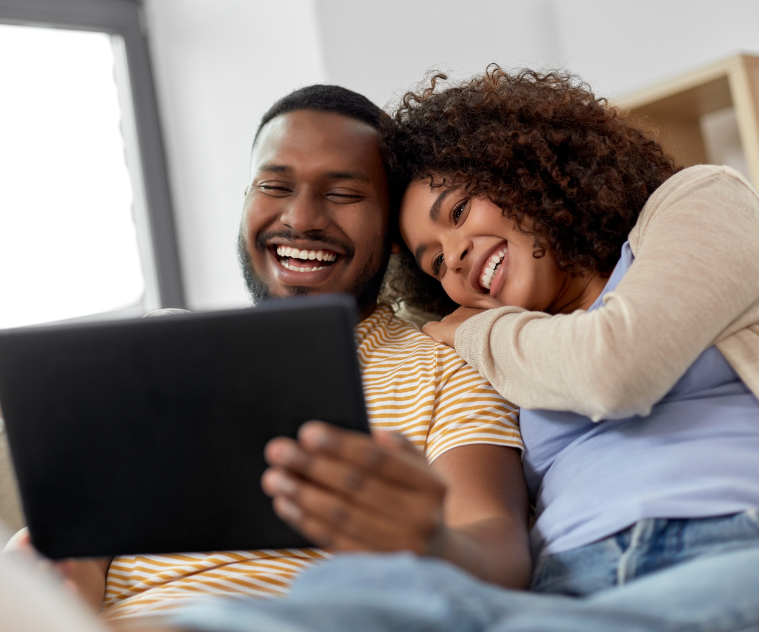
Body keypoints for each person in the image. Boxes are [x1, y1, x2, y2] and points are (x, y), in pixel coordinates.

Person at [149, 69, 759, 631]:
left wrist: (469, 327)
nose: (458, 255)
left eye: (460, 210)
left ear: (523, 172)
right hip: (567, 588)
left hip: (732, 541)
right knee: (358, 587)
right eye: (435, 260)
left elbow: (614, 367)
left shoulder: (696, 200)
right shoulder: (500, 354)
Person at [18, 84, 529, 621]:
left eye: (344, 194)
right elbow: (75, 548)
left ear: (395, 231)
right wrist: (46, 571)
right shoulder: (155, 350)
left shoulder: (445, 366)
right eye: (274, 185)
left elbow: (501, 547)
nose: (302, 217)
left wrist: (430, 543)